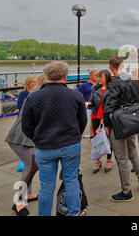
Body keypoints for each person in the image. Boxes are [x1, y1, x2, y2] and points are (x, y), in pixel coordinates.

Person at [22, 61, 87, 216]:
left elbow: (26, 127)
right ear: (65, 77)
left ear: (47, 76)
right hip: (70, 145)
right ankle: (74, 213)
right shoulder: (76, 95)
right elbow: (82, 121)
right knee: (71, 180)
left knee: (46, 186)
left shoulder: (33, 97)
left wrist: (38, 139)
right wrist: (74, 137)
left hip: (45, 147)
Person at [103, 57, 139, 202]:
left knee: (121, 158)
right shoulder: (134, 81)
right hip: (132, 123)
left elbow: (108, 107)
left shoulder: (115, 83)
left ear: (111, 68)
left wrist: (106, 126)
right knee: (133, 152)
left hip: (119, 124)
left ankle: (126, 191)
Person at [6, 74, 47, 216]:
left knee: (32, 166)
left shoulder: (38, 93)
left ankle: (28, 194)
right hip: (21, 138)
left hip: (25, 138)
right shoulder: (37, 95)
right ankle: (18, 202)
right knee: (30, 167)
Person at [85, 70, 113, 174]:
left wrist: (104, 118)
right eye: (98, 77)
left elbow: (110, 105)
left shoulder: (111, 89)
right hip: (95, 116)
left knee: (107, 139)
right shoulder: (95, 88)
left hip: (106, 117)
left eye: (101, 77)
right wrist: (88, 103)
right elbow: (91, 100)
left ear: (107, 78)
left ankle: (109, 160)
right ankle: (98, 161)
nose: (98, 79)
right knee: (95, 139)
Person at [77, 70, 98, 138]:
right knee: (87, 123)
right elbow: (79, 96)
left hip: (97, 108)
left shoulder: (98, 85)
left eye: (98, 75)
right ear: (90, 76)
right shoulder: (84, 85)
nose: (97, 76)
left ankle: (94, 134)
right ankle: (85, 135)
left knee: (95, 123)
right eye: (95, 75)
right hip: (88, 108)